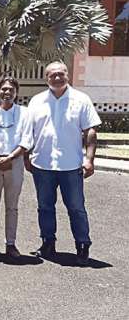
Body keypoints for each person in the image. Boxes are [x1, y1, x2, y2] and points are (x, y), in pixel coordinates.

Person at [25, 61, 101, 266]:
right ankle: (48, 242)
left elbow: (90, 131)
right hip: (42, 164)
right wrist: (26, 157)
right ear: (46, 78)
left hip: (71, 165)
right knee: (45, 206)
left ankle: (82, 244)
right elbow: (27, 133)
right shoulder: (36, 101)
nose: (57, 78)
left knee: (76, 207)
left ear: (67, 75)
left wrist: (90, 159)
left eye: (61, 74)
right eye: (52, 75)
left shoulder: (81, 99)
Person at [0, 77, 32, 258]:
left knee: (12, 207)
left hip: (15, 163)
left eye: (11, 89)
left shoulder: (25, 113)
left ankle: (11, 243)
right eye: (4, 89)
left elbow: (27, 140)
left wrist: (10, 157)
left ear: (16, 92)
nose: (7, 92)